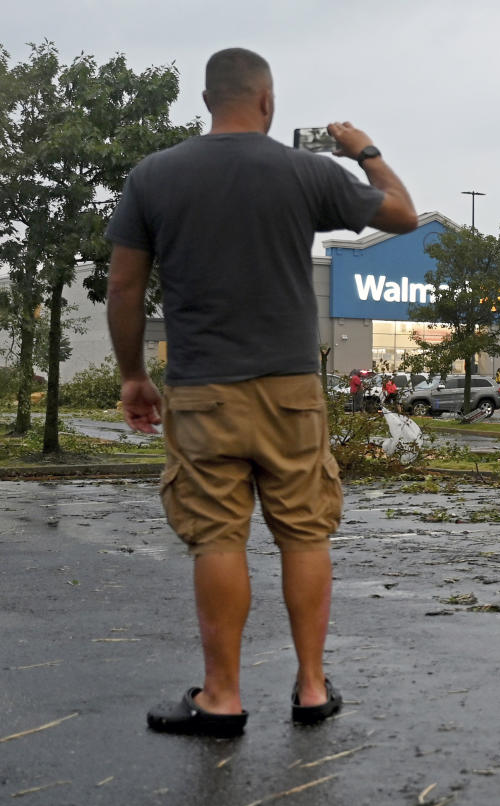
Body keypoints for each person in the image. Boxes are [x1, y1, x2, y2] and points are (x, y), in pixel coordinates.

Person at [106, 47, 418, 738]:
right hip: (291, 391)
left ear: (209, 99)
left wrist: (134, 375)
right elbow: (402, 213)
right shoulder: (307, 171)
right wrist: (361, 148)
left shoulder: (154, 176)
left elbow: (124, 287)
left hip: (202, 389)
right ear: (267, 100)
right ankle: (311, 689)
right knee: (304, 532)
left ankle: (222, 698)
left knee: (217, 537)